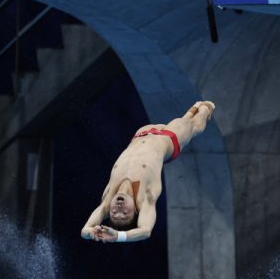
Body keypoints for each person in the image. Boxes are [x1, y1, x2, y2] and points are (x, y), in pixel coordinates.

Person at [81, 101, 215, 243]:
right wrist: (119, 237)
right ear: (136, 210)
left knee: (182, 120)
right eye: (125, 213)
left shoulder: (107, 201)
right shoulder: (145, 199)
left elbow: (84, 231)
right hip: (169, 140)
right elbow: (145, 231)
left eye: (114, 213)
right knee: (193, 126)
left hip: (142, 134)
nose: (118, 208)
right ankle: (206, 109)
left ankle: (193, 109)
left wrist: (93, 232)